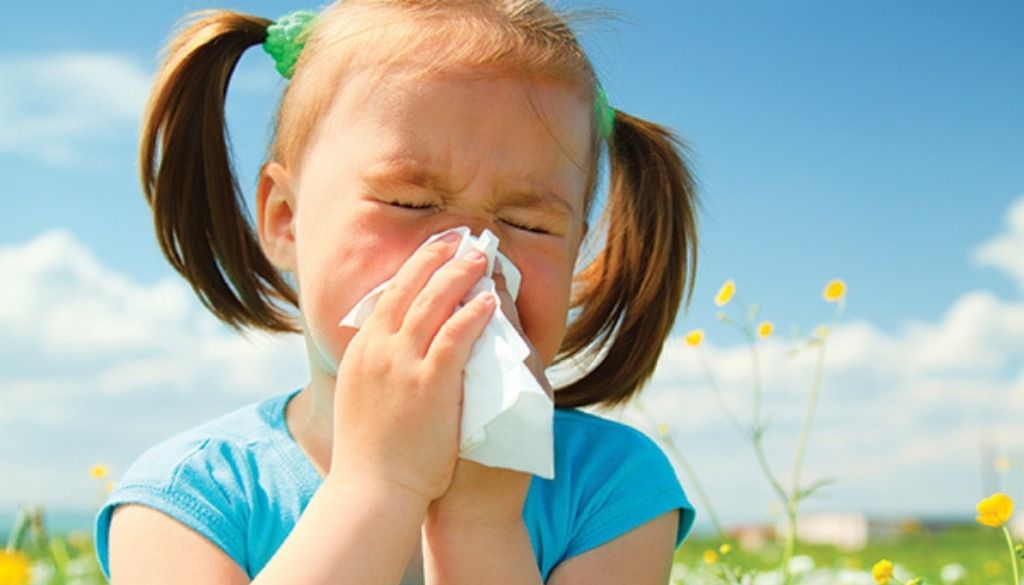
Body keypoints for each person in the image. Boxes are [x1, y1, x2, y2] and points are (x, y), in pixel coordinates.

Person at [94, 1, 702, 583]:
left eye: (529, 224)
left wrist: (481, 523)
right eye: (409, 202)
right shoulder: (187, 499)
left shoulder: (613, 486)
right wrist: (377, 487)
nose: (472, 255)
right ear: (285, 219)